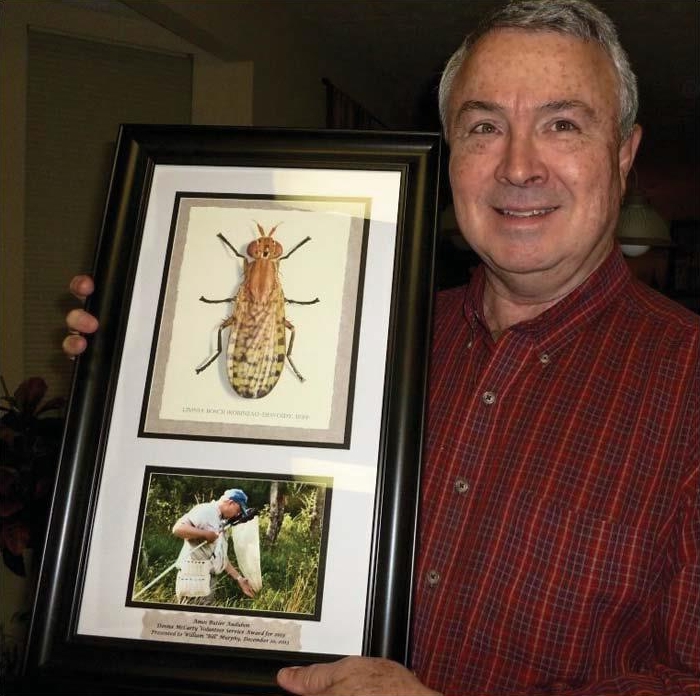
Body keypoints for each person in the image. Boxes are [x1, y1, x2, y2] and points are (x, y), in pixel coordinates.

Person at [62, 0, 699, 694]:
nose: (519, 166)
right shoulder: (366, 331)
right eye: (485, 125)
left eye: (563, 124)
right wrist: (137, 364)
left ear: (625, 152)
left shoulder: (687, 380)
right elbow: (253, 482)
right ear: (452, 151)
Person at [172, 487, 257, 600]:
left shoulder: (222, 521)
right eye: (238, 510)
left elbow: (220, 558)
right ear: (231, 502)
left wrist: (239, 579)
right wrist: (205, 534)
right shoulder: (205, 510)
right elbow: (178, 529)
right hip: (192, 580)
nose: (237, 515)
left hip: (208, 582)